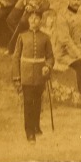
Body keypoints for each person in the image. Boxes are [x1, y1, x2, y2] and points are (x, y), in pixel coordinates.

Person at [11, 9, 54, 142]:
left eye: (36, 18)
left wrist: (47, 66)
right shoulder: (22, 36)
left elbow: (50, 57)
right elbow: (16, 57)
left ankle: (36, 126)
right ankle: (29, 131)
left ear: (40, 20)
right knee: (28, 102)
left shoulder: (45, 37)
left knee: (38, 102)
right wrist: (17, 77)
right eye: (31, 18)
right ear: (28, 20)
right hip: (26, 75)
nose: (33, 20)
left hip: (40, 75)